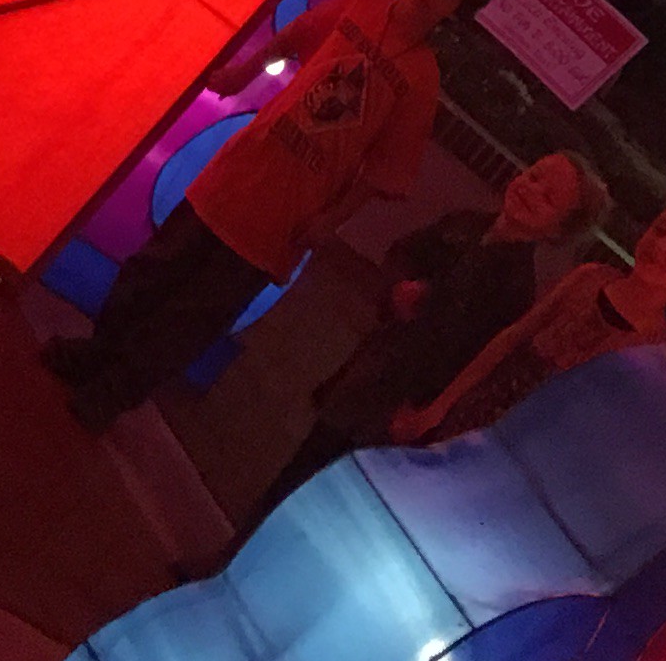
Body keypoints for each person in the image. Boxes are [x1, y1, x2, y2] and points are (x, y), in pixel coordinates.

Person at [43, 0, 498, 435]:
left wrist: (330, 220)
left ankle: (112, 392)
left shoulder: (421, 78)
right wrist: (243, 74)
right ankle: (96, 352)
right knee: (153, 269)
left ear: (457, 8)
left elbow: (384, 171)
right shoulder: (364, 3)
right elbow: (297, 34)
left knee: (194, 316)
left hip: (286, 217)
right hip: (238, 172)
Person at [240, 146, 613, 525]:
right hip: (369, 372)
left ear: (558, 230)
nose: (531, 191)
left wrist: (425, 405)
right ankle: (241, 542)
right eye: (534, 176)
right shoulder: (465, 225)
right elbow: (404, 253)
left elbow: (465, 355)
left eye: (548, 198)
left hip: (399, 403)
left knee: (332, 499)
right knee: (298, 472)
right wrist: (398, 286)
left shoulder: (513, 288)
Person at [390, 193, 666, 445]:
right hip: (475, 411)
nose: (660, 246)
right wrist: (439, 408)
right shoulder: (589, 278)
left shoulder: (653, 352)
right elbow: (511, 339)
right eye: (660, 230)